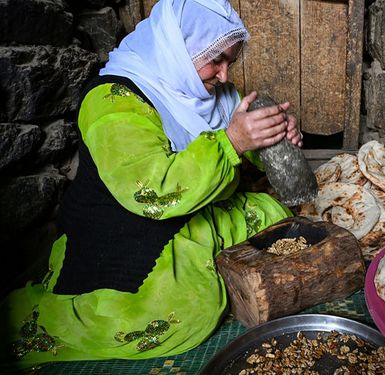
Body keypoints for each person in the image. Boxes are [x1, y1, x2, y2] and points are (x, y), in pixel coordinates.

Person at [0, 0, 301, 369]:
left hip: (196, 206)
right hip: (125, 224)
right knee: (183, 310)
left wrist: (271, 137)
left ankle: (210, 256)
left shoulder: (217, 93)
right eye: (215, 60)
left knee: (277, 220)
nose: (224, 76)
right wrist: (232, 142)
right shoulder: (112, 100)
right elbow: (152, 191)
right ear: (177, 48)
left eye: (230, 62)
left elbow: (244, 145)